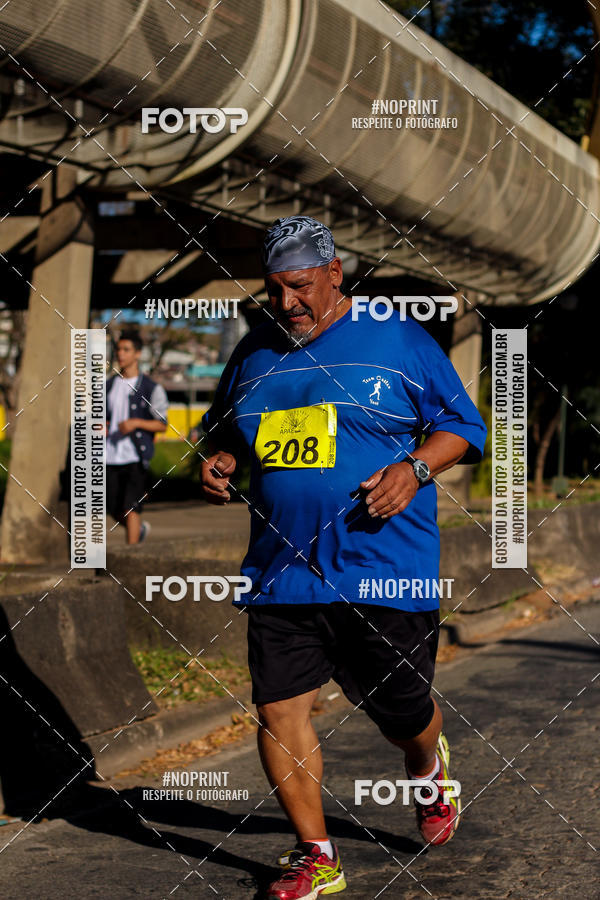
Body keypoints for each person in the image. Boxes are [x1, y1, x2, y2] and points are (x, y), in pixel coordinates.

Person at [201, 216, 487, 899]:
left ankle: (425, 766)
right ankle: (317, 856)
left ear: (334, 273)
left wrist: (414, 469)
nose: (287, 303)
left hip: (384, 568)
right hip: (282, 570)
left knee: (401, 713)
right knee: (279, 710)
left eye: (299, 286)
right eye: (273, 290)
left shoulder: (399, 340)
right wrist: (218, 463)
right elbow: (226, 435)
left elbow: (463, 427)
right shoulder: (253, 353)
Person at [106, 330, 168, 544]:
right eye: (118, 349)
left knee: (131, 507)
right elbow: (103, 417)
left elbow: (162, 424)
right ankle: (139, 530)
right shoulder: (109, 385)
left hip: (135, 456)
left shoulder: (152, 388)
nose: (121, 354)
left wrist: (136, 423)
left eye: (126, 349)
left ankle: (130, 560)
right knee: (112, 509)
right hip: (109, 455)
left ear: (138, 354)